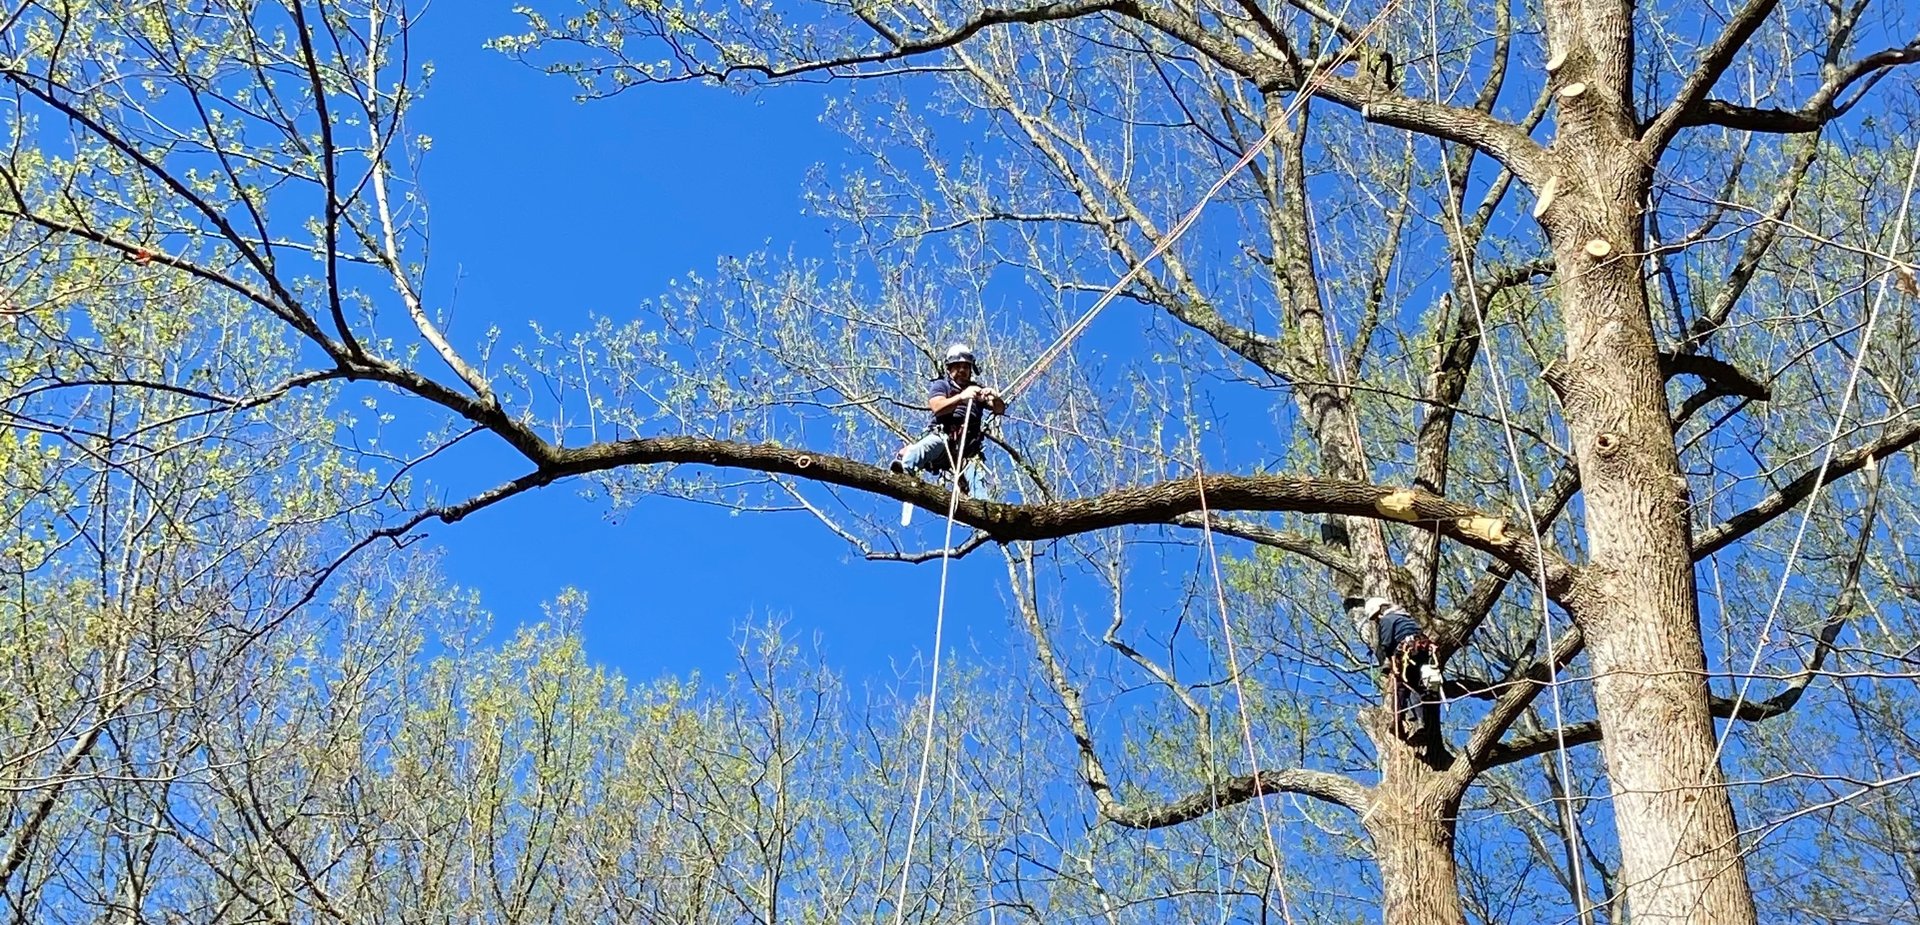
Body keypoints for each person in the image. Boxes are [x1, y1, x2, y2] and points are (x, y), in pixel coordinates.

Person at [890, 342, 1006, 494]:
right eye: (957, 366)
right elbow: (937, 407)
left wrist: (994, 397)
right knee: (928, 445)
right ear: (949, 369)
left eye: (966, 367)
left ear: (971, 369)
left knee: (978, 478)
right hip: (943, 439)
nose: (962, 370)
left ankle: (982, 509)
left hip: (967, 452)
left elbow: (999, 409)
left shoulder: (978, 392)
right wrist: (961, 398)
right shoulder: (942, 386)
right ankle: (904, 470)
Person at [1345, 596, 1445, 751]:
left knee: (1400, 686)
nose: (1377, 620)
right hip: (1423, 652)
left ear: (1380, 610)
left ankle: (1398, 721)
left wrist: (1388, 664)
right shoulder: (1405, 618)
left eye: (1376, 616)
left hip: (1409, 651)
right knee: (1415, 686)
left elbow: (1385, 645)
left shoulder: (1387, 620)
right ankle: (1420, 722)